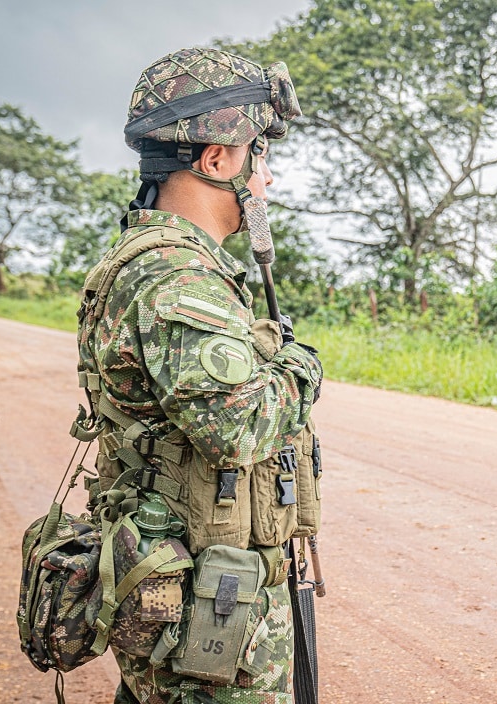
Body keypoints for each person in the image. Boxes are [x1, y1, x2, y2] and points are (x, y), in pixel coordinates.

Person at [77, 47, 322, 704]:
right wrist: (301, 368)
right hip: (206, 613)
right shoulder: (178, 278)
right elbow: (240, 427)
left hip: (182, 594)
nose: (267, 178)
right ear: (217, 159)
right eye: (260, 155)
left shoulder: (155, 262)